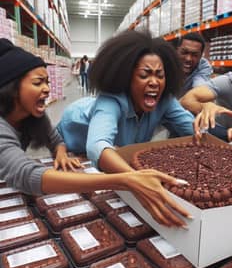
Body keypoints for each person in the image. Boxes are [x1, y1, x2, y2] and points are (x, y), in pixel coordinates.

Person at [0, 38, 191, 228]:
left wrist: (60, 153)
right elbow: (25, 174)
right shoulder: (109, 102)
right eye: (38, 83)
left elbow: (55, 139)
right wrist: (125, 180)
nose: (47, 89)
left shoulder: (33, 118)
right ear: (12, 88)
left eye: (160, 75)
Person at [57, 30, 194, 183]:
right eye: (144, 75)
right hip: (73, 135)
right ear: (127, 77)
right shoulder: (110, 101)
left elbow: (193, 130)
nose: (154, 82)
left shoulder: (164, 101)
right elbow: (96, 146)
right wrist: (139, 180)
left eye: (160, 75)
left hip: (114, 148)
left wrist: (208, 116)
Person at [176, 32, 214, 99]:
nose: (188, 59)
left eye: (195, 55)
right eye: (184, 52)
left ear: (201, 56)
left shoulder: (204, 66)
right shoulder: (168, 63)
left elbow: (199, 86)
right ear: (177, 50)